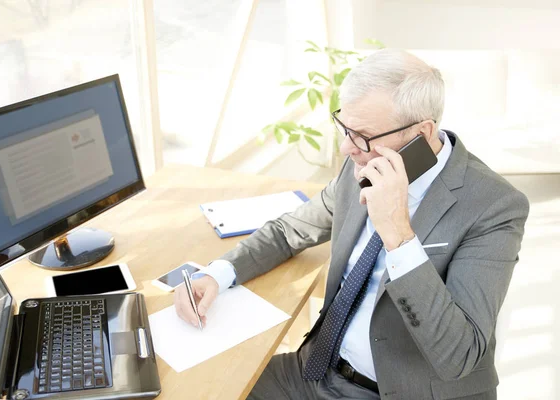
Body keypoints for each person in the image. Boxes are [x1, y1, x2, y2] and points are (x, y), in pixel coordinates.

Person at [174, 49, 529, 399]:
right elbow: (290, 230)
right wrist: (217, 274)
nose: (346, 147)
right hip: (317, 371)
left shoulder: (493, 206)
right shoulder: (362, 165)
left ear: (422, 132)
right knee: (213, 387)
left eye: (362, 135)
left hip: (402, 392)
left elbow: (459, 355)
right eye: (344, 127)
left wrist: (400, 237)